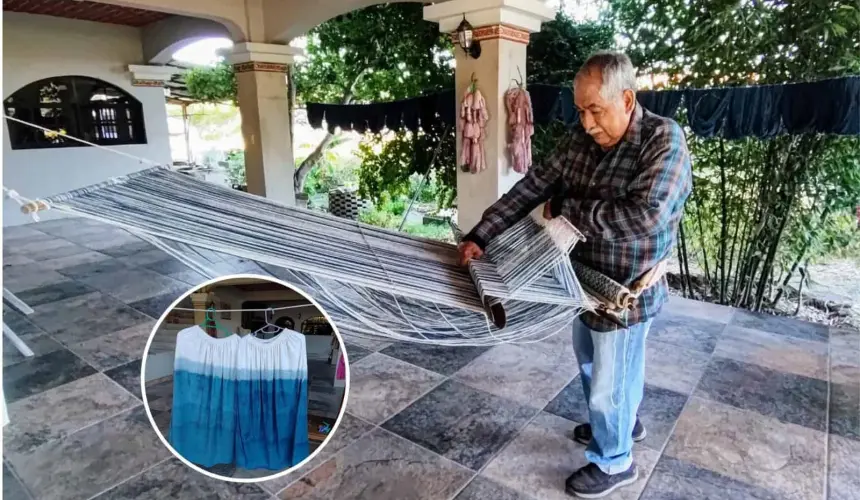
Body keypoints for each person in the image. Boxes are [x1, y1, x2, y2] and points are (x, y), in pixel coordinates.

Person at [458, 51, 692, 498]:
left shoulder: (664, 140)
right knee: (592, 361)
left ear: (626, 99)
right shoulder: (581, 141)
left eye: (595, 111)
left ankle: (615, 461)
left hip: (627, 288)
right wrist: (481, 235)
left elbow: (646, 216)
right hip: (581, 280)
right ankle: (620, 424)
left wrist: (568, 209)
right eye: (581, 111)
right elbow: (533, 185)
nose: (586, 123)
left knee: (611, 374)